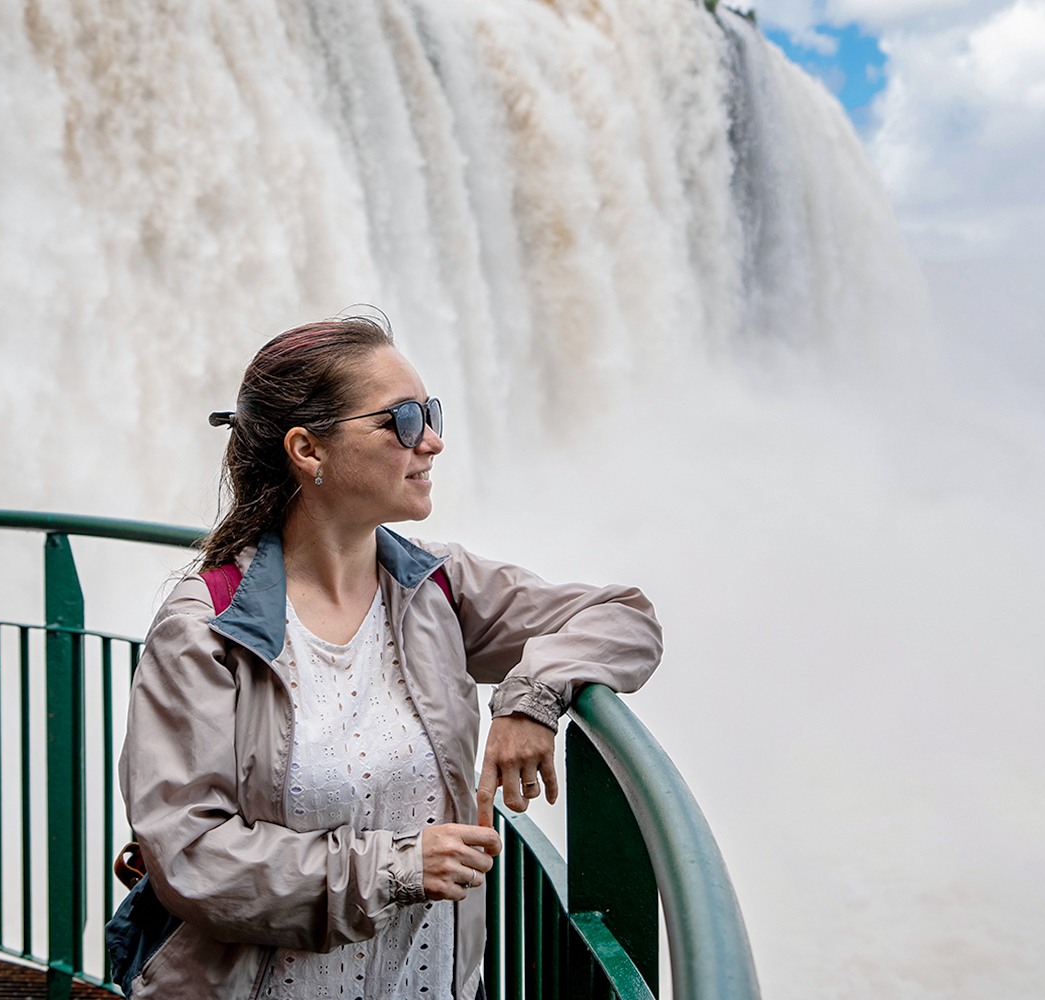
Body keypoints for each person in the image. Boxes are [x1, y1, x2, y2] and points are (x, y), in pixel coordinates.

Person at [114, 314, 662, 1000]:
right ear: (308, 450)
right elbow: (191, 858)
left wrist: (531, 698)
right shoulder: (209, 628)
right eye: (403, 420)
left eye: (431, 413)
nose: (432, 441)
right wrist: (395, 871)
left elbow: (624, 618)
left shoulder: (434, 587)